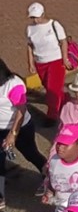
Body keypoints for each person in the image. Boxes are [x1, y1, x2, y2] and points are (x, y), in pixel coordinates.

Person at [0, 59, 49, 202]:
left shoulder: (14, 84)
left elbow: (21, 111)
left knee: (30, 153)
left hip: (20, 127)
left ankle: (50, 178)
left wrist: (12, 134)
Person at [26, 3, 72, 126]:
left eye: (37, 17)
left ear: (43, 14)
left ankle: (52, 116)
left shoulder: (54, 25)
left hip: (56, 61)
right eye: (32, 18)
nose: (35, 20)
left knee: (52, 90)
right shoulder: (30, 29)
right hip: (40, 62)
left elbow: (63, 42)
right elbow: (30, 46)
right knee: (50, 87)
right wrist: (31, 63)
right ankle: (66, 100)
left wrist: (65, 59)